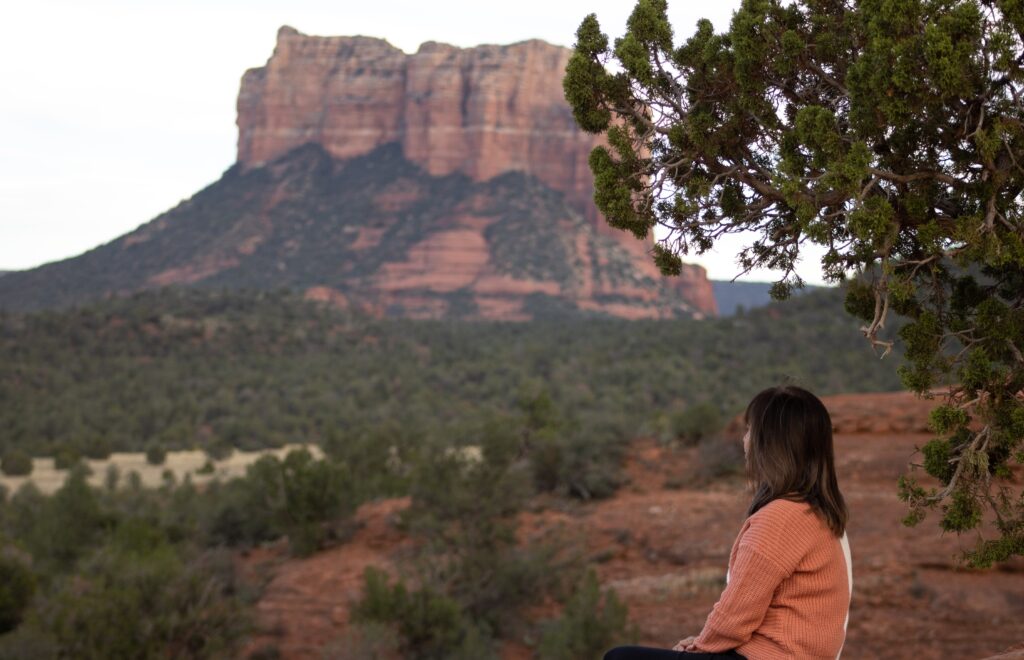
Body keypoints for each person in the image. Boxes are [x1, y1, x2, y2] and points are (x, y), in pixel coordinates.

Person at [604, 385, 853, 660]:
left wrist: (699, 647)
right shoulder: (816, 513)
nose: (744, 441)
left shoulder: (780, 518)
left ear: (769, 443)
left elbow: (737, 613)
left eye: (749, 430)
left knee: (620, 657)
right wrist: (704, 643)